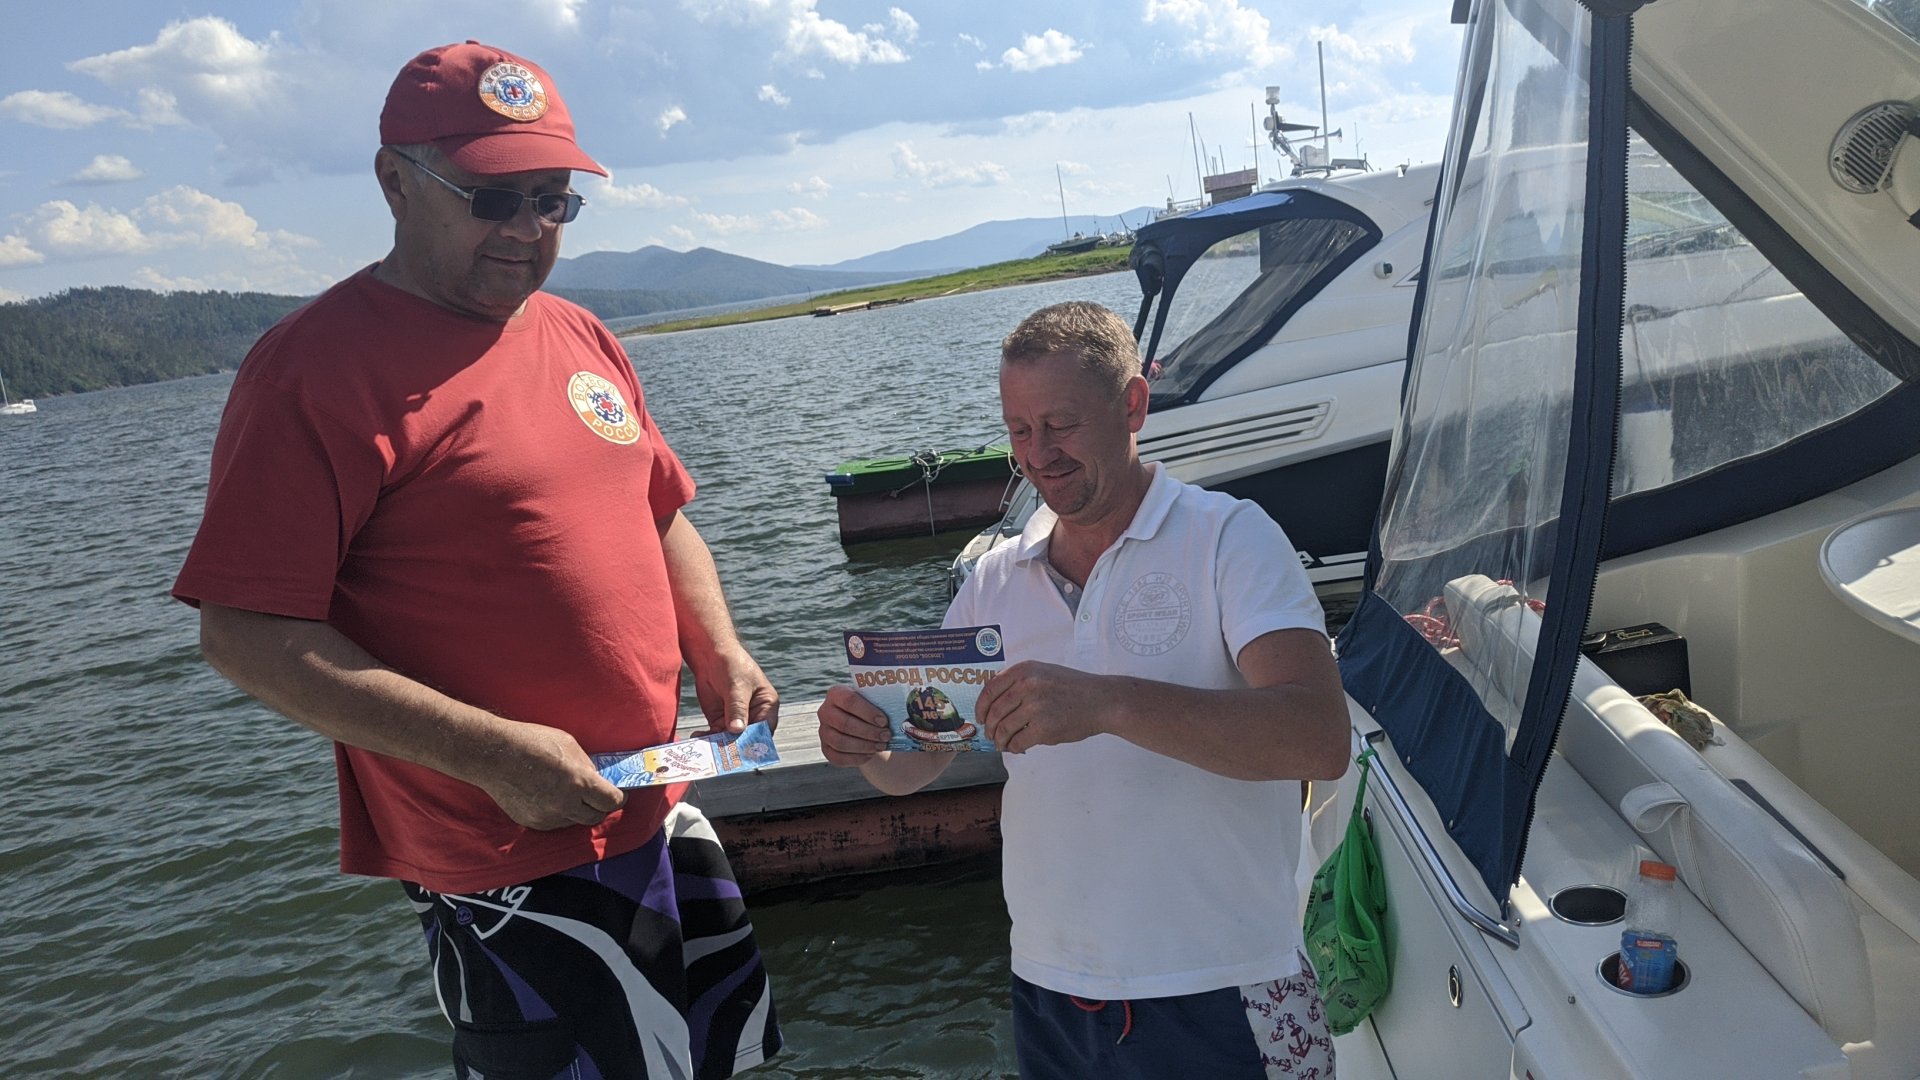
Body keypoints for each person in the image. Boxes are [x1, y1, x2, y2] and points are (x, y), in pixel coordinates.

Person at [173, 41, 780, 1080]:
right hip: (505, 860)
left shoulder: (581, 334)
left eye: (553, 201)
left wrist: (717, 648)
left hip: (658, 805)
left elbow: (660, 515)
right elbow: (244, 634)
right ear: (395, 182)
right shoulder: (311, 372)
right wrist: (490, 753)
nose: (529, 229)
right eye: (495, 198)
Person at [817, 301, 1349, 1078]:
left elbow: (1318, 737)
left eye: (1060, 424)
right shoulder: (994, 579)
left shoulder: (1230, 538)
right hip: (1052, 988)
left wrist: (1106, 703)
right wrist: (865, 742)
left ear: (1132, 405)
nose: (1039, 454)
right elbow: (916, 761)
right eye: (1018, 429)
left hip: (1225, 982)